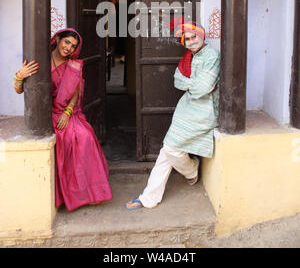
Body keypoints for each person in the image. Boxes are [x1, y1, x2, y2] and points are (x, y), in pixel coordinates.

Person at [14, 28, 113, 211]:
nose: (68, 48)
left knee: (85, 137)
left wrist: (67, 112)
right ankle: (61, 196)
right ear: (58, 39)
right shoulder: (41, 61)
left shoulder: (73, 65)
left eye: (73, 46)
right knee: (61, 140)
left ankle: (87, 193)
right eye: (66, 42)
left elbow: (75, 93)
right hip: (46, 113)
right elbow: (20, 90)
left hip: (67, 112)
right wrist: (19, 76)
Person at [126, 18, 220, 209]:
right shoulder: (189, 57)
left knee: (169, 149)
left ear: (201, 36)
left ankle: (191, 170)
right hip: (186, 107)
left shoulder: (212, 56)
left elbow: (204, 88)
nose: (191, 41)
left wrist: (192, 85)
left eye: (194, 36)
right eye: (187, 39)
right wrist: (194, 85)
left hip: (205, 110)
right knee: (168, 150)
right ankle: (151, 195)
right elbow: (177, 81)